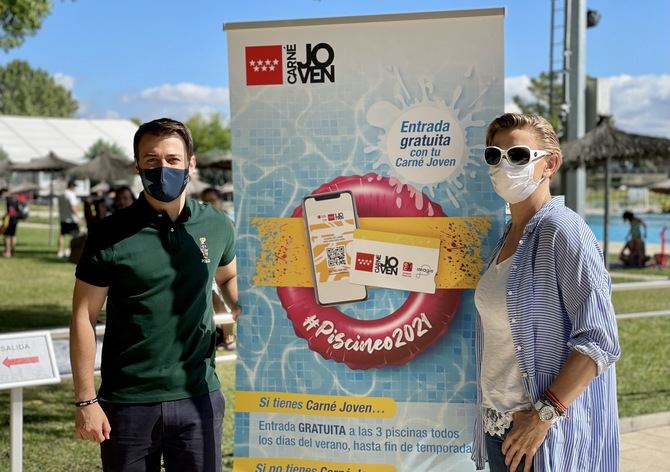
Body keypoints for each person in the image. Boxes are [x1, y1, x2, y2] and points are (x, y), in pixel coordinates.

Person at [70, 118, 240, 472]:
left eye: (173, 159)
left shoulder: (217, 225)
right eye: (151, 160)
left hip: (199, 396)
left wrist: (238, 305)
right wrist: (86, 401)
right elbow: (83, 317)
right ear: (138, 165)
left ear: (191, 164)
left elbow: (228, 274)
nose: (162, 168)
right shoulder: (108, 234)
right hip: (129, 403)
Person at [472, 113, 620, 472]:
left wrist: (542, 416)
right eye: (495, 155)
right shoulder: (510, 235)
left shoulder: (562, 230)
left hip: (539, 437)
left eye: (519, 155)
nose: (505, 165)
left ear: (549, 164)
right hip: (500, 426)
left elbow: (600, 341)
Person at [201, 187, 236, 351]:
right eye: (205, 201)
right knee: (215, 300)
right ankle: (223, 336)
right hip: (210, 268)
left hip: (230, 269)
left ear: (220, 201)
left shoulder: (230, 222)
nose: (208, 204)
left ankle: (229, 337)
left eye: (212, 200)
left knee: (225, 301)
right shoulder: (201, 224)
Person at [58, 180, 81, 259]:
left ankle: (60, 251)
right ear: (72, 186)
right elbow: (72, 207)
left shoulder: (61, 194)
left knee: (62, 235)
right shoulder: (71, 195)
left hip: (63, 218)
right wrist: (78, 216)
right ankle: (70, 251)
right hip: (71, 219)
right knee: (75, 236)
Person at [1, 188, 21, 257]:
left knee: (7, 236)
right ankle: (12, 252)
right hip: (15, 219)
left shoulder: (7, 199)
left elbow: (7, 211)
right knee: (13, 235)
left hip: (8, 219)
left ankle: (7, 252)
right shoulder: (15, 199)